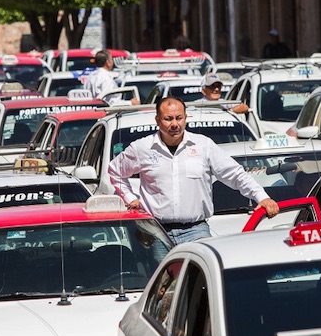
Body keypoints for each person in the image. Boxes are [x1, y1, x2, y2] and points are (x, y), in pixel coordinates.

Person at [107, 97, 280, 244]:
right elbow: (115, 171)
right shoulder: (142, 148)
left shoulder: (203, 145)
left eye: (179, 118)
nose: (174, 124)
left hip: (196, 231)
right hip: (155, 232)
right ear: (157, 120)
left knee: (201, 274)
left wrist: (261, 197)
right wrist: (130, 198)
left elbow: (235, 174)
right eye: (168, 119)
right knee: (161, 275)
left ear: (185, 118)